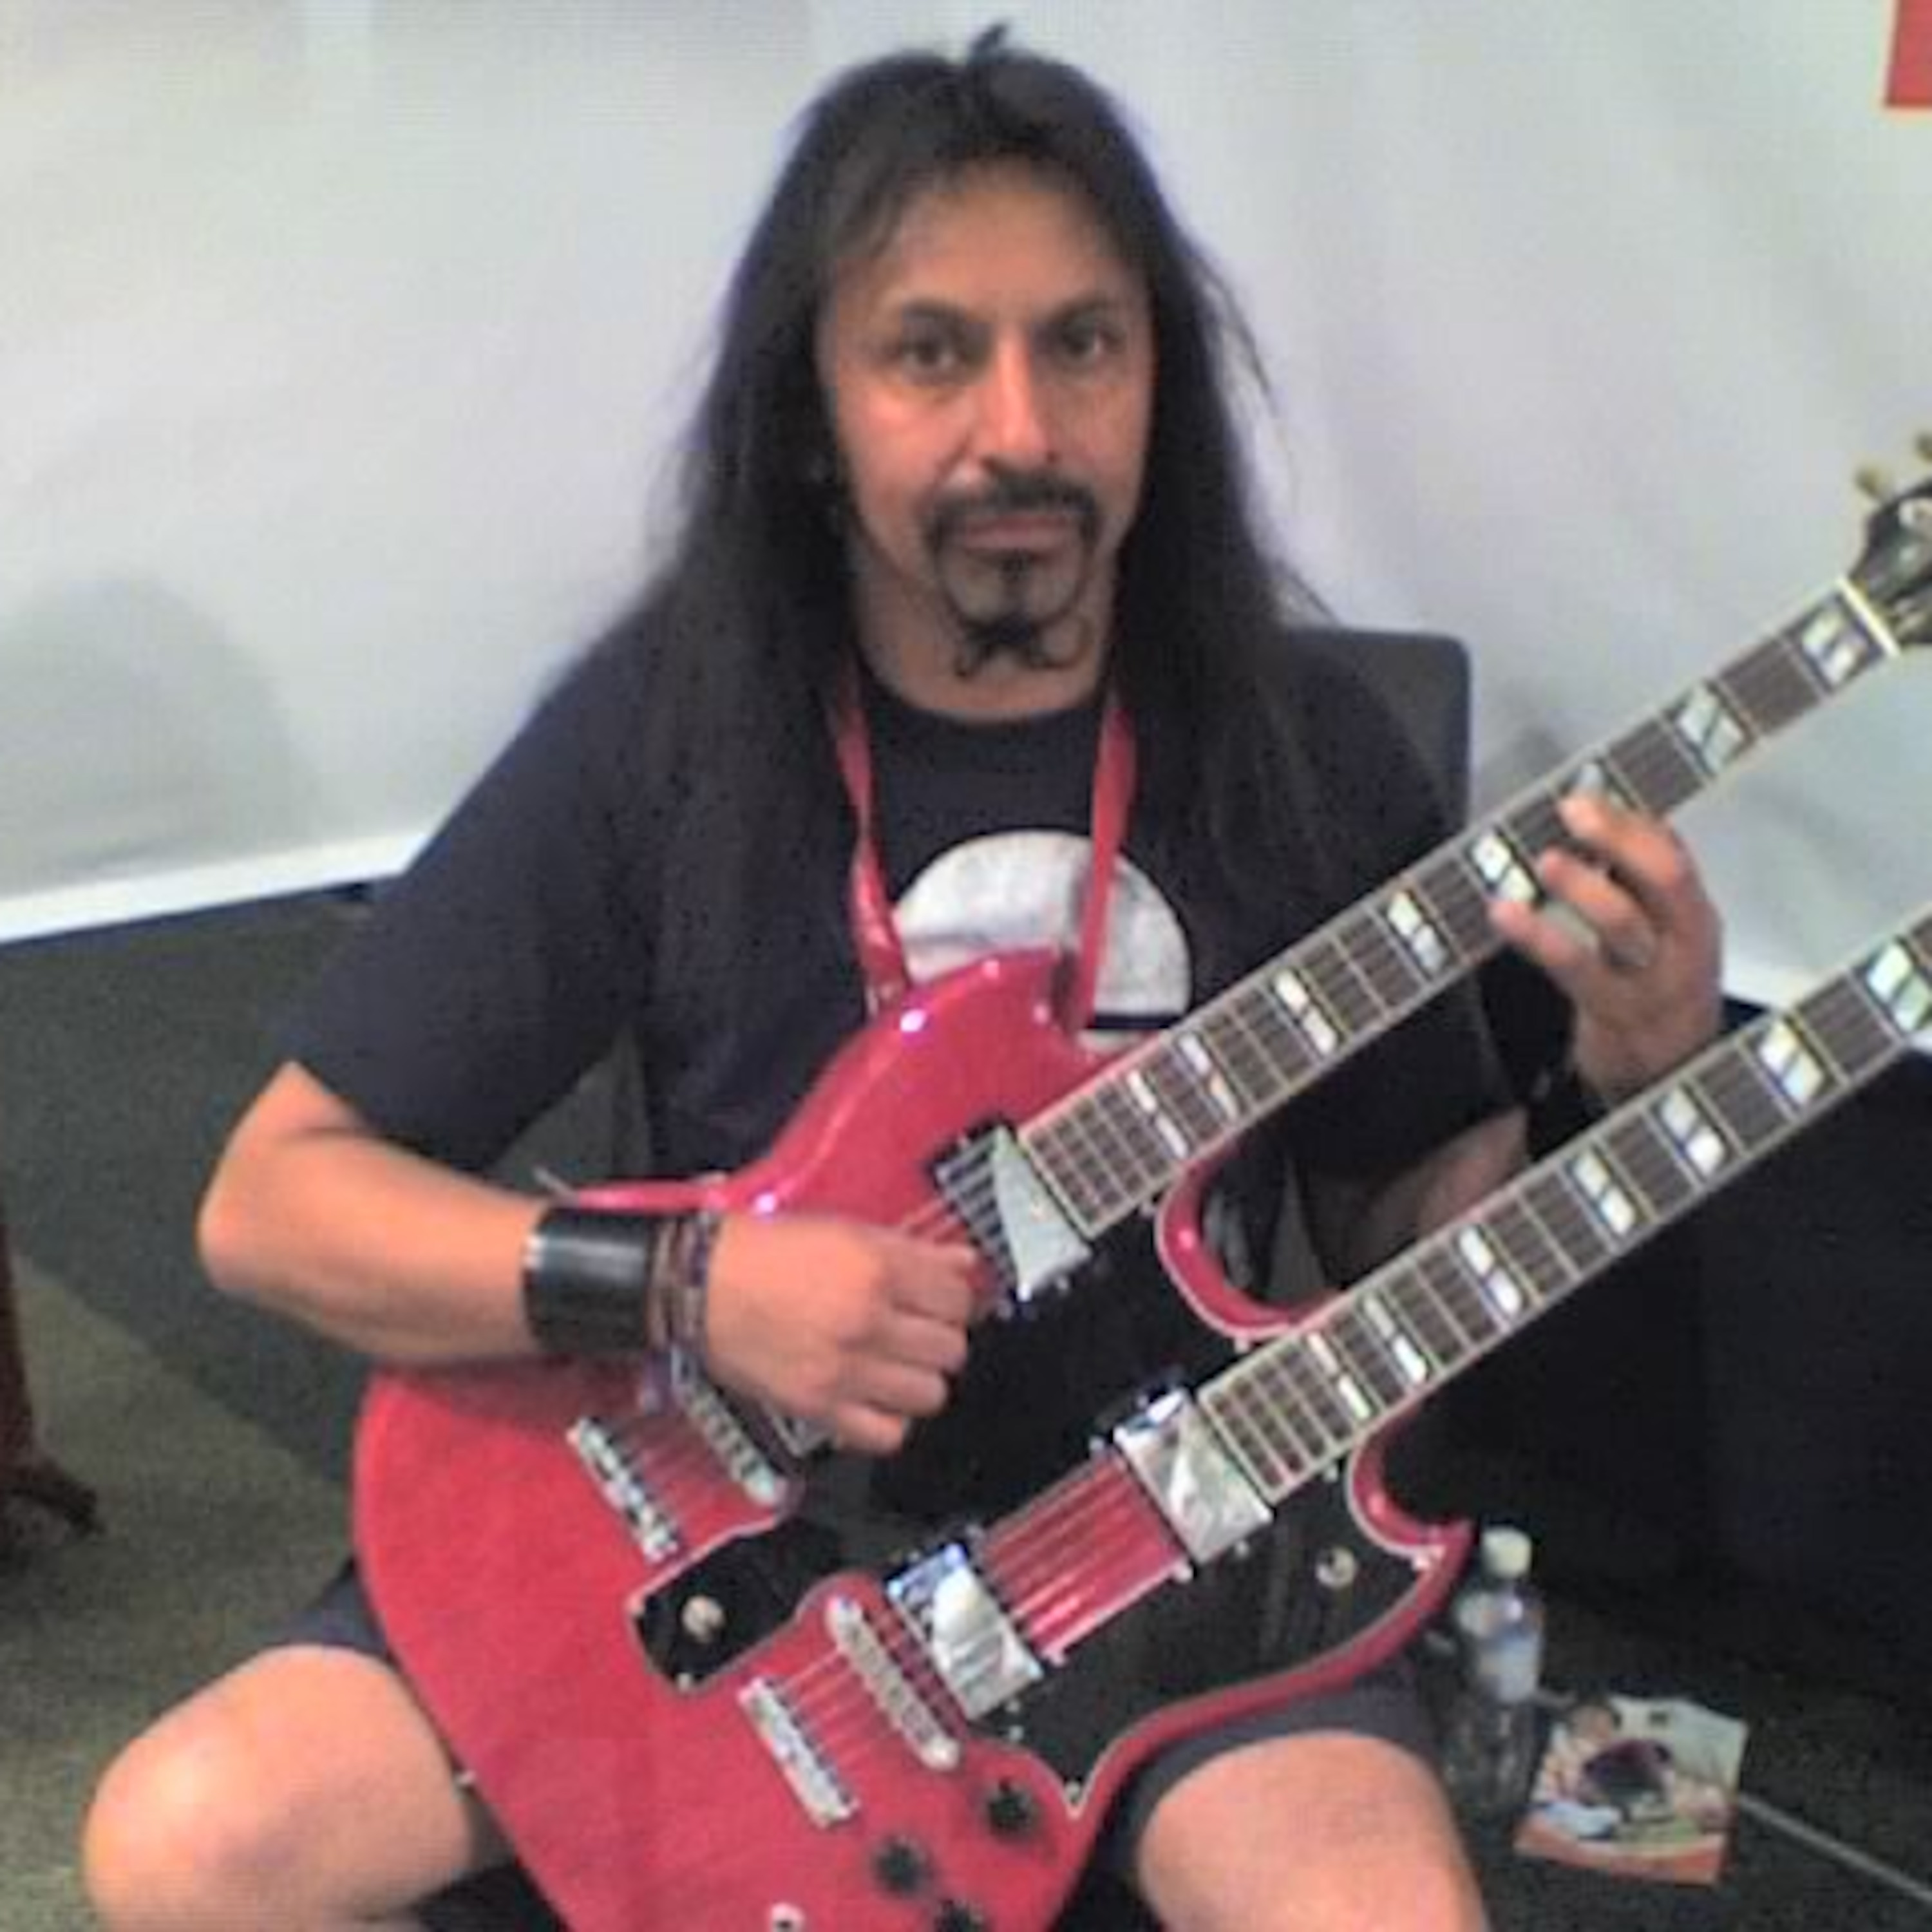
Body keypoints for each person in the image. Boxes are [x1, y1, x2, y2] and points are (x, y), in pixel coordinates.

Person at [81, 29, 1722, 1932]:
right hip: (715, 1553)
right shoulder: (665, 734)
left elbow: (1391, 1230)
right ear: (815, 411)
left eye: (1082, 345)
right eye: (931, 354)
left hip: (1165, 1552)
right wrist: (696, 1283)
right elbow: (273, 1206)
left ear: (1159, 386)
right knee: (184, 1845)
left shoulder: (1303, 751)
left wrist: (1615, 1082)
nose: (1020, 429)